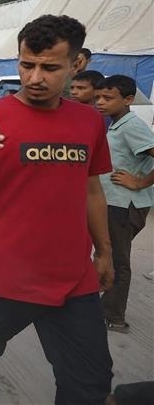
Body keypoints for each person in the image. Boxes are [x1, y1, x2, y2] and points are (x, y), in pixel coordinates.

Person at [0, 14, 114, 405]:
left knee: (91, 378)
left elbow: (92, 190)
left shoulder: (89, 121)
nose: (35, 77)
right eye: (27, 65)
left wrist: (104, 251)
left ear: (76, 64)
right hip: (3, 274)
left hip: (73, 276)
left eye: (49, 68)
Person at [94, 74, 154, 333]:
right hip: (114, 202)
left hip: (125, 205)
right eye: (97, 97)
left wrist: (139, 182)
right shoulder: (117, 124)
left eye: (108, 98)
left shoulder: (131, 126)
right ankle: (102, 307)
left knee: (118, 260)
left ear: (128, 100)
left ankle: (114, 317)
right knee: (107, 254)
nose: (100, 102)